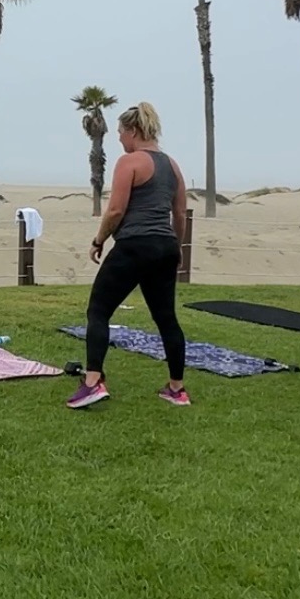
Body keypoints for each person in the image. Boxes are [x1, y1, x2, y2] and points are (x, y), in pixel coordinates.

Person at [72, 102, 192, 409]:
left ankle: (92, 383)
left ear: (134, 131)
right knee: (166, 318)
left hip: (135, 245)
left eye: (121, 132)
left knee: (98, 311)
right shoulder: (172, 165)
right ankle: (177, 389)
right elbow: (180, 213)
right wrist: (176, 247)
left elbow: (115, 210)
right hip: (164, 247)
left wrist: (99, 240)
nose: (119, 138)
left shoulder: (130, 162)